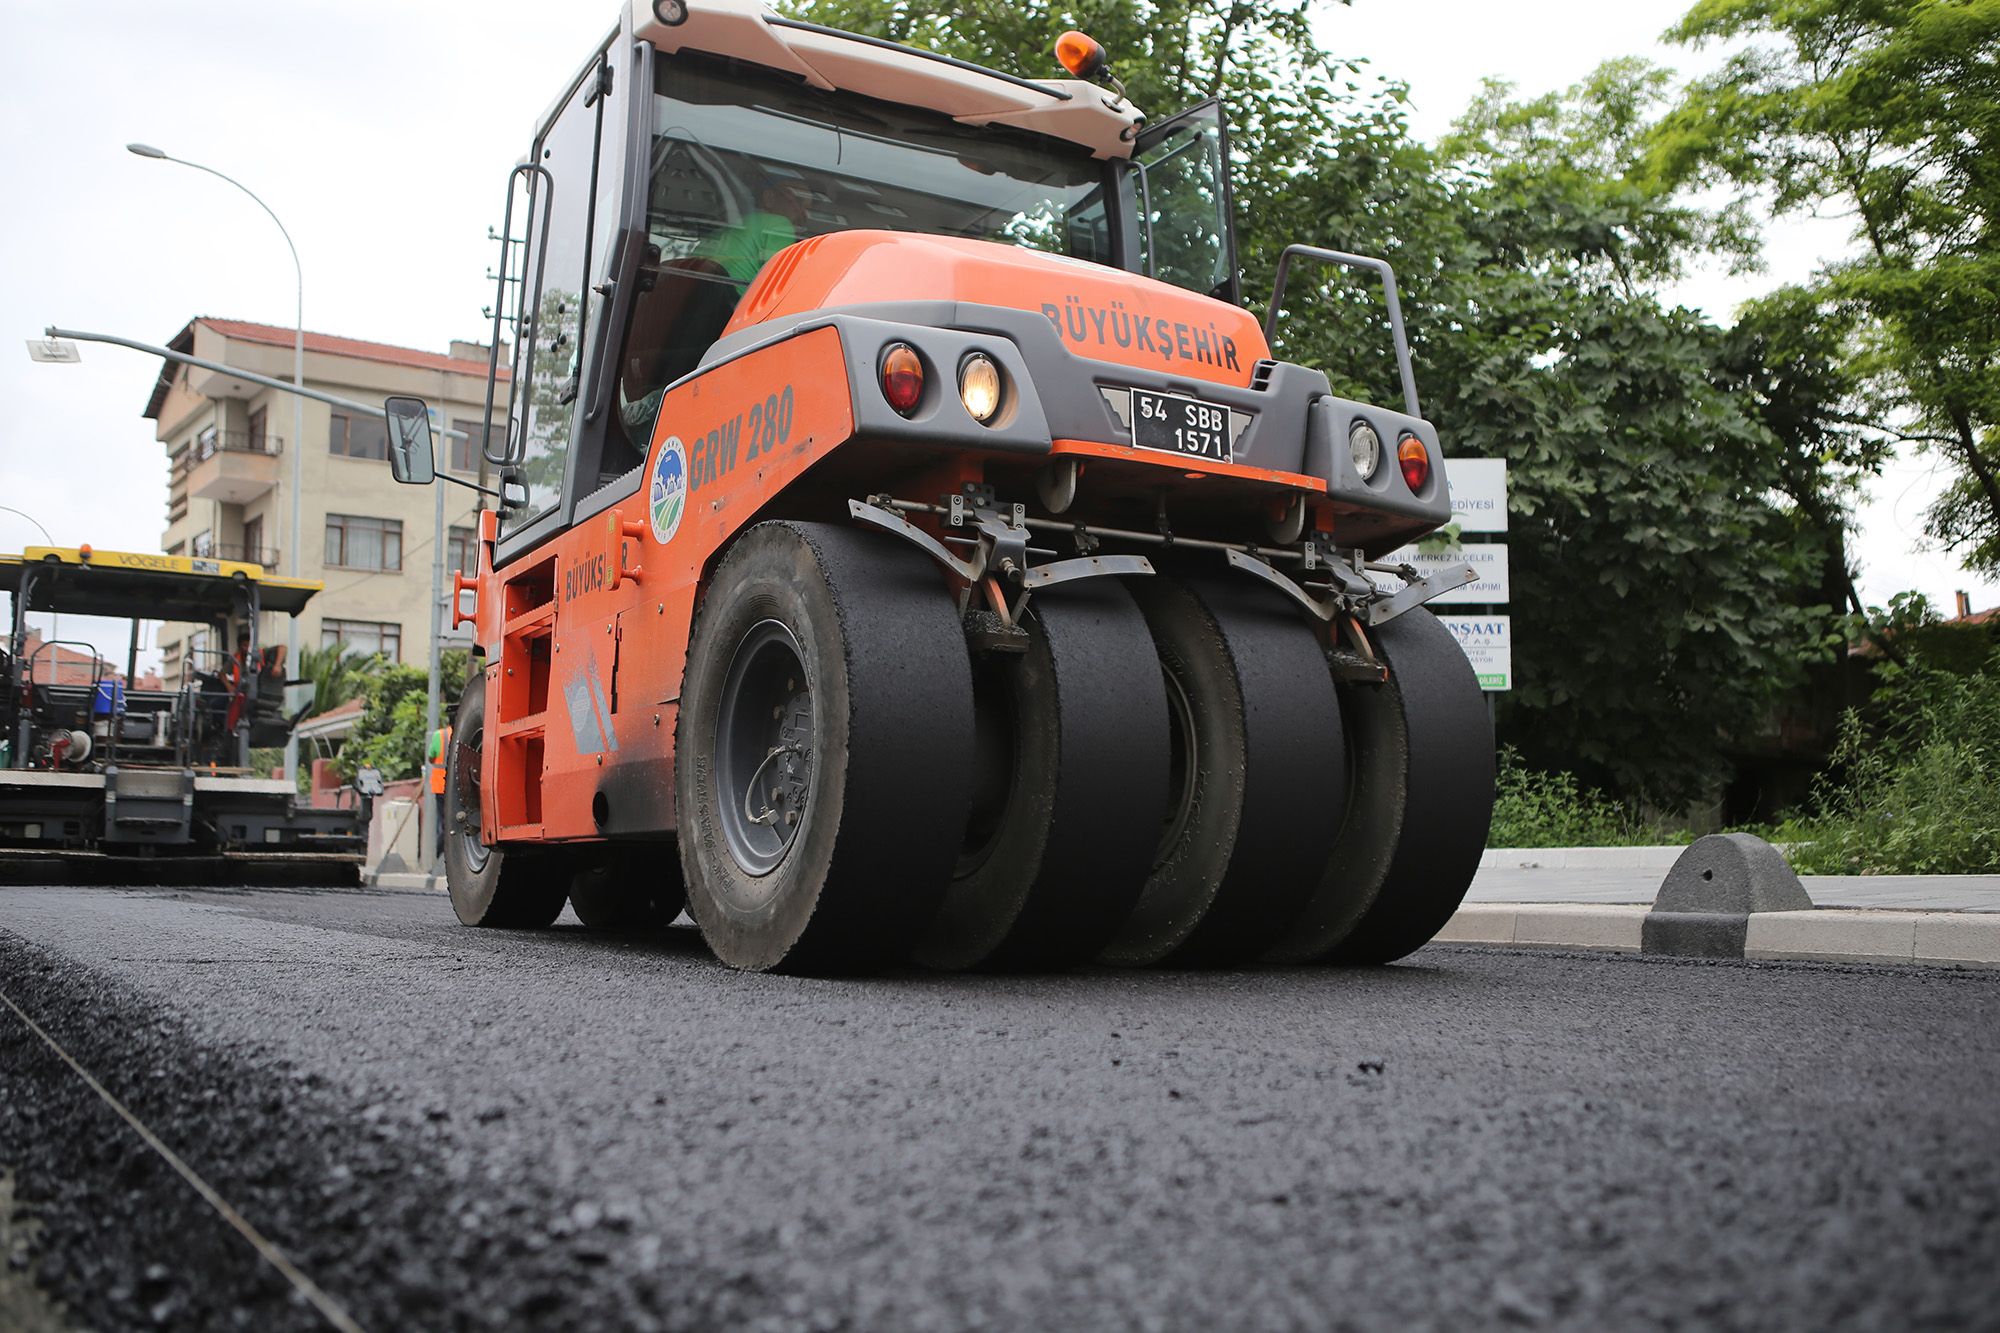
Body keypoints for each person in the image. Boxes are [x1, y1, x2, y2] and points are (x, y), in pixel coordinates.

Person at [427, 723, 452, 863]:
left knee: (443, 824)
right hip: (458, 786)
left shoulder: (440, 735)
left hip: (440, 785)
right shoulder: (463, 731)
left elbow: (432, 756)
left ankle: (440, 859)